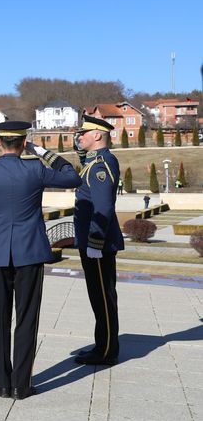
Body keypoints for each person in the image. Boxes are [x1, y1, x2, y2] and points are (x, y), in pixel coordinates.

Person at [0, 121, 81, 400]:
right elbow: (72, 177)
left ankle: (1, 384)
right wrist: (41, 151)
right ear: (23, 143)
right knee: (26, 318)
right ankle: (21, 385)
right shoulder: (35, 169)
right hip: (29, 252)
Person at [73, 115, 125, 366]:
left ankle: (106, 351)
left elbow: (103, 207)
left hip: (98, 245)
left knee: (103, 297)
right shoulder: (95, 161)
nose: (79, 136)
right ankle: (102, 344)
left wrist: (94, 242)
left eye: (83, 133)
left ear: (96, 135)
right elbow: (82, 160)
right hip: (94, 243)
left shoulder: (100, 165)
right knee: (98, 296)